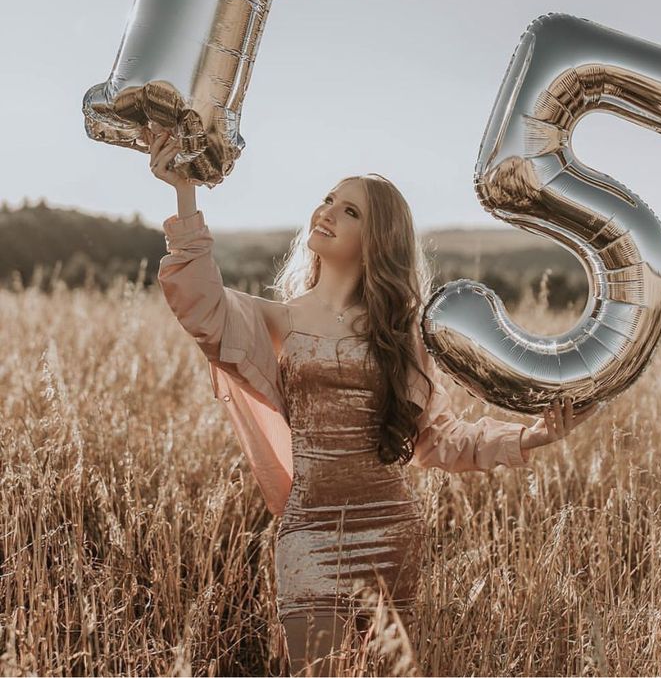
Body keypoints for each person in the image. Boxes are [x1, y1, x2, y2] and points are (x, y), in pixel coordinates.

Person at [146, 124, 600, 676]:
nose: (328, 212)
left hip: (389, 531)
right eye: (328, 200)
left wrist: (531, 434)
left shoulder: (402, 331)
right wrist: (184, 193)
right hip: (309, 532)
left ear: (379, 238)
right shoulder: (279, 319)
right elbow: (201, 304)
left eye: (351, 211)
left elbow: (438, 439)